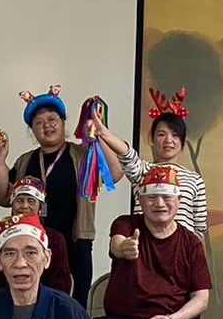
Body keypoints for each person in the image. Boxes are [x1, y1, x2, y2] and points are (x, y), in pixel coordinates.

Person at [97, 165, 211, 319]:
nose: (159, 203)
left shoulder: (191, 243)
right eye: (151, 197)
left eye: (166, 197)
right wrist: (125, 248)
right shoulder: (127, 224)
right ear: (140, 200)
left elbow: (201, 298)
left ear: (179, 201)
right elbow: (117, 244)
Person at [0, 85, 97, 303]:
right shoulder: (25, 160)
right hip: (29, 243)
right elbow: (3, 197)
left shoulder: (82, 154)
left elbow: (115, 173)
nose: (47, 125)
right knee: (31, 300)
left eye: (52, 119)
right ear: (32, 130)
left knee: (73, 304)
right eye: (38, 122)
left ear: (63, 122)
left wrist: (99, 135)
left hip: (75, 242)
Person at [88, 87, 210, 237]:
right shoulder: (143, 171)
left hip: (181, 249)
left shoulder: (195, 180)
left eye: (175, 135)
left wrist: (185, 247)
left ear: (182, 142)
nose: (168, 140)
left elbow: (200, 227)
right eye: (161, 134)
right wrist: (103, 133)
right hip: (144, 247)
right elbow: (127, 154)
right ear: (152, 139)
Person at [0, 176, 72, 296]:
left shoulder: (54, 239)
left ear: (40, 207)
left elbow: (61, 284)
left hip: (45, 303)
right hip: (0, 303)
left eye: (31, 201)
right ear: (12, 204)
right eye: (19, 200)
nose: (24, 206)